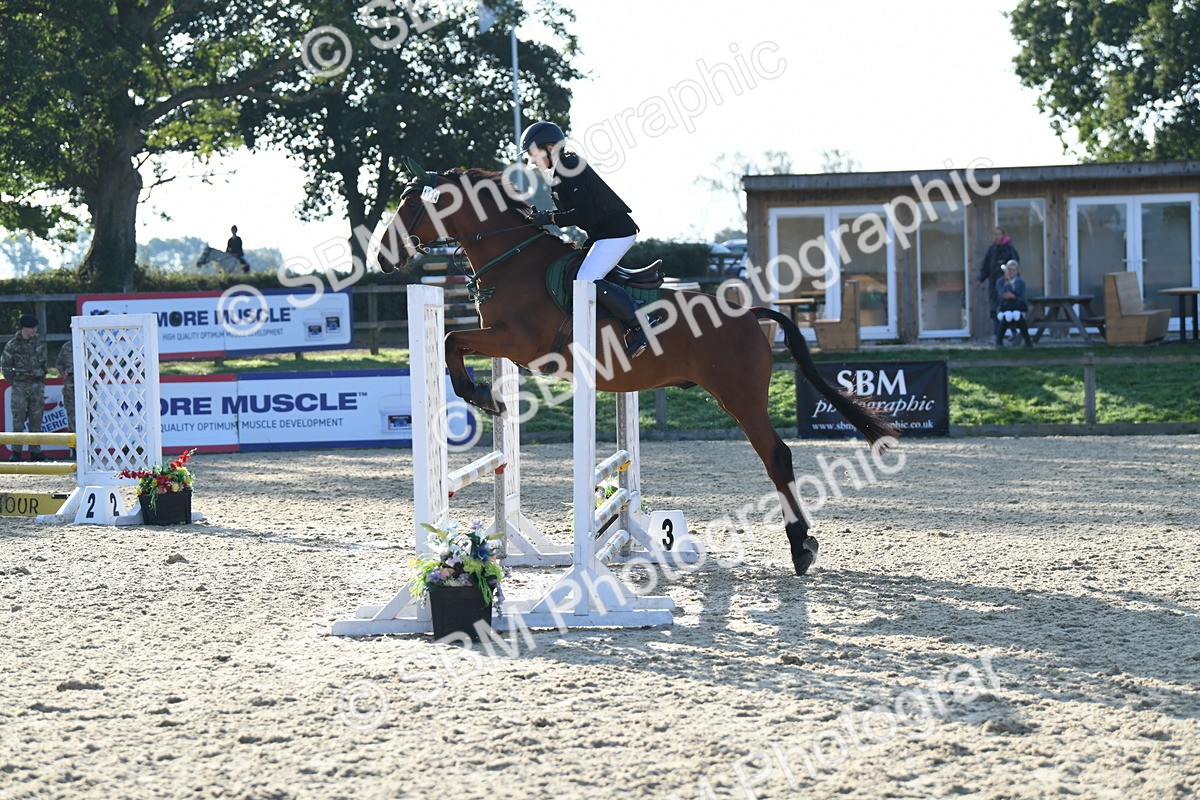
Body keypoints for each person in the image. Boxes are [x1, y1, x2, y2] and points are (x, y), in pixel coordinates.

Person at [521, 121, 649, 358]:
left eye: (534, 155)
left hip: (617, 232)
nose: (533, 162)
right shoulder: (559, 173)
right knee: (574, 272)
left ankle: (641, 323)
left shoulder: (569, 167)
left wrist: (550, 218)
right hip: (602, 234)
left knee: (586, 279)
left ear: (550, 148)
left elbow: (586, 213)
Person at [2, 314, 49, 461]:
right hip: (20, 388)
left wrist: (40, 380)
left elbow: (44, 365)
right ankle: (16, 453)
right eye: (33, 328)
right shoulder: (12, 345)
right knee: (18, 420)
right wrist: (16, 383)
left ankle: (35, 451)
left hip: (36, 386)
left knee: (37, 419)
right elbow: (5, 367)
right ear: (25, 328)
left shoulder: (38, 343)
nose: (35, 330)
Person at [979, 226, 1020, 339]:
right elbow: (986, 266)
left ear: (1003, 235)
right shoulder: (992, 249)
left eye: (999, 234)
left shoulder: (1009, 248)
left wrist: (1012, 279)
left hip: (1006, 283)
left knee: (1008, 307)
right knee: (995, 308)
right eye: (995, 234)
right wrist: (980, 279)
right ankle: (997, 334)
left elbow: (1015, 264)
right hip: (994, 283)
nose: (997, 236)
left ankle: (1014, 332)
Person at [995, 260, 1033, 348]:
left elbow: (1022, 297)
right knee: (1006, 316)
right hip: (1004, 307)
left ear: (1017, 271)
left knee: (1018, 316)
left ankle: (1028, 342)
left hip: (1017, 306)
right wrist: (1007, 282)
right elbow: (1001, 294)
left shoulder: (1021, 283)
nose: (1011, 272)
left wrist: (1013, 296)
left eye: (1013, 270)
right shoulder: (1000, 281)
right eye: (1009, 269)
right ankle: (999, 342)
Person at [55, 338, 75, 457]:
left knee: (89, 418)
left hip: (87, 383)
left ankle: (89, 449)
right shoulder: (67, 347)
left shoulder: (90, 345)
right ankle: (75, 450)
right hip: (70, 384)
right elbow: (60, 365)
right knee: (72, 417)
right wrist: (66, 378)